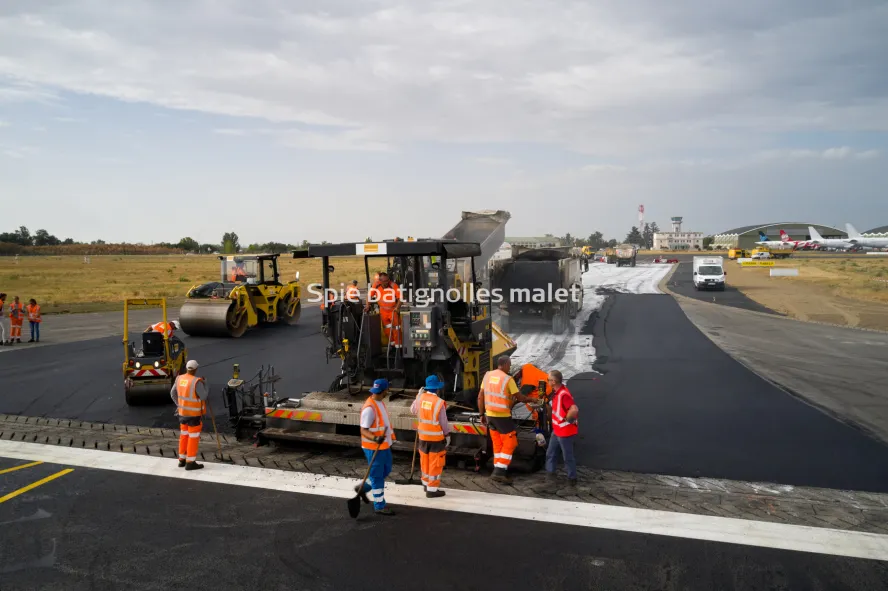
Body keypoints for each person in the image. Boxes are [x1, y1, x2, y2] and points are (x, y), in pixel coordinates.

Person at [477, 355, 531, 483]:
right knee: (511, 442)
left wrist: (481, 414)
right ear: (506, 364)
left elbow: (480, 396)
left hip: (489, 415)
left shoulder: (487, 375)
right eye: (510, 365)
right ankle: (499, 471)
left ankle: (499, 468)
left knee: (498, 443)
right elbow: (520, 397)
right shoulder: (508, 379)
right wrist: (533, 400)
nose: (510, 368)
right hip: (502, 417)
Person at [535, 370, 579, 493]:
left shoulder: (563, 394)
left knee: (567, 457)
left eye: (549, 380)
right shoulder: (557, 393)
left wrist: (567, 421)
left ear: (553, 381)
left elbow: (574, 410)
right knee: (550, 453)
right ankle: (550, 480)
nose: (547, 382)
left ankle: (572, 483)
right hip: (558, 430)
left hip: (564, 432)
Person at [357, 378, 396, 515]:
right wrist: (375, 438)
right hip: (374, 447)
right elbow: (363, 430)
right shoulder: (369, 408)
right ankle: (379, 505)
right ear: (384, 391)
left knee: (386, 470)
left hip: (384, 446)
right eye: (387, 390)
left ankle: (364, 488)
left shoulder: (379, 402)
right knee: (377, 476)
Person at [411, 375, 451, 498]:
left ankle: (425, 484)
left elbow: (413, 410)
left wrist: (418, 396)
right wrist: (447, 434)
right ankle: (432, 490)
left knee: (425, 461)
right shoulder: (439, 402)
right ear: (437, 389)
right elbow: (443, 422)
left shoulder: (420, 398)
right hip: (436, 439)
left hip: (423, 437)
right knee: (435, 463)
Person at [170, 359, 208, 471]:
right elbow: (204, 396)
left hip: (182, 413)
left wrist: (179, 404)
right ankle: (190, 462)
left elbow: (172, 393)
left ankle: (182, 460)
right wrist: (206, 384)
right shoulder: (196, 381)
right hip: (194, 414)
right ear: (196, 369)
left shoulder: (179, 378)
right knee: (193, 437)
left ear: (187, 368)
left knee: (184, 435)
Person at [367, 272, 401, 348]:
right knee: (387, 329)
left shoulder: (393, 285)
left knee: (396, 328)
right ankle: (392, 345)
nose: (387, 282)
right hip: (383, 311)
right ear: (380, 281)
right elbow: (369, 296)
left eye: (387, 280)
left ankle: (398, 347)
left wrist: (397, 308)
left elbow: (400, 298)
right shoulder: (376, 285)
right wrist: (367, 305)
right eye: (385, 281)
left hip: (393, 310)